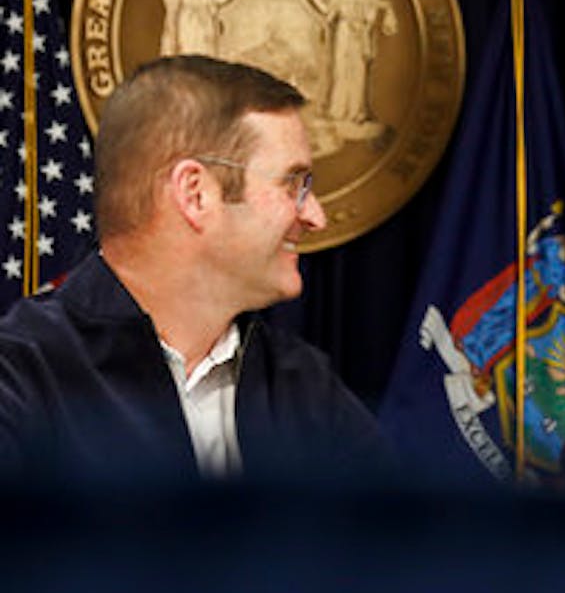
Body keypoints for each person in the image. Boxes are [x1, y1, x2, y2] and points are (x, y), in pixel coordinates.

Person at [0, 55, 390, 481]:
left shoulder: (305, 388)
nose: (315, 216)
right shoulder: (22, 376)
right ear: (196, 193)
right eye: (293, 184)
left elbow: (396, 543)